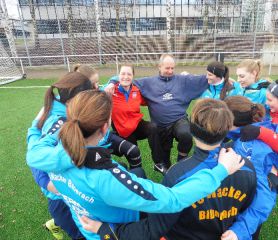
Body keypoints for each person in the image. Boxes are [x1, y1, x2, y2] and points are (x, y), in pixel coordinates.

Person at [29, 90, 245, 240]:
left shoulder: (45, 154)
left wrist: (41, 124)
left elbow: (34, 144)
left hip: (90, 228)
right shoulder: (104, 177)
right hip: (114, 231)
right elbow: (173, 200)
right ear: (105, 128)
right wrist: (221, 170)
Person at [106, 54, 209, 174]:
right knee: (163, 160)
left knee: (185, 134)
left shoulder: (182, 80)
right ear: (159, 67)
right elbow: (125, 78)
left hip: (178, 120)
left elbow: (205, 79)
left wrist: (223, 79)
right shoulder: (146, 82)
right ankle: (166, 170)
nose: (170, 71)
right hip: (159, 126)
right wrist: (112, 82)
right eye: (167, 68)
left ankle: (182, 160)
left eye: (172, 68)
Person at [28, 72, 92, 240]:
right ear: (73, 101)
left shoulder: (57, 106)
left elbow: (34, 133)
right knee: (83, 234)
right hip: (62, 198)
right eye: (87, 98)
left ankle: (54, 223)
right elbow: (35, 156)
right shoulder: (60, 122)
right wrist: (47, 182)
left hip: (66, 195)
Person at [221, 95, 277, 240]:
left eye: (223, 121)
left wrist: (240, 230)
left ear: (232, 122)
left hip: (246, 213)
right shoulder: (250, 132)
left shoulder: (250, 149)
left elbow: (263, 197)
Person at [107, 64, 156, 159]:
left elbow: (148, 101)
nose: (126, 77)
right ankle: (117, 145)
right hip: (124, 131)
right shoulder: (111, 90)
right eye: (123, 74)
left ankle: (158, 161)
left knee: (153, 128)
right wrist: (112, 82)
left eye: (129, 74)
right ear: (118, 76)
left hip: (137, 125)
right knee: (134, 154)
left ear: (133, 76)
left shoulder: (136, 90)